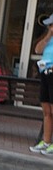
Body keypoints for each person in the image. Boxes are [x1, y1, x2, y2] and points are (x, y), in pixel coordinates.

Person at [30, 13, 53, 154]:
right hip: (45, 72)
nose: (50, 27)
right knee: (46, 110)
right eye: (49, 25)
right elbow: (37, 50)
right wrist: (48, 36)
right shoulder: (47, 38)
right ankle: (46, 141)